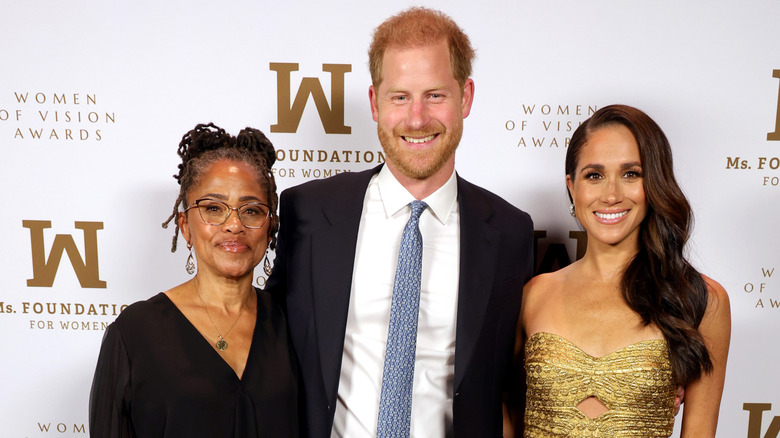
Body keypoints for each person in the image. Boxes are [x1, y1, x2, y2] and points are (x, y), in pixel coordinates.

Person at [264, 7, 534, 438]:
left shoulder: (509, 233)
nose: (417, 118)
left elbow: (512, 387)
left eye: (435, 95)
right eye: (400, 97)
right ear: (375, 103)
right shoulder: (308, 213)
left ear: (465, 97)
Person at [518, 105, 731, 437]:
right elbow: (501, 411)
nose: (611, 195)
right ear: (572, 187)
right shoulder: (533, 294)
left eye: (631, 174)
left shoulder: (700, 299)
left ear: (655, 183)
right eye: (594, 175)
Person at [89, 123, 298, 437]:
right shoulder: (135, 333)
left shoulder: (294, 324)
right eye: (214, 208)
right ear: (185, 226)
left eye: (251, 210)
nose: (234, 225)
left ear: (270, 228)